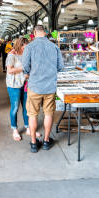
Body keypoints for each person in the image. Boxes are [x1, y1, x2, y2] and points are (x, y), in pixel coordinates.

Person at [22, 25, 64, 153]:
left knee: (32, 115)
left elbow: (25, 67)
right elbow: (60, 67)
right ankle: (46, 141)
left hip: (34, 86)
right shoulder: (54, 47)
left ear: (34, 33)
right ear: (45, 33)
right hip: (50, 87)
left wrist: (31, 72)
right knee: (48, 113)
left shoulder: (29, 47)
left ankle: (34, 143)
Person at [6, 37, 30, 141]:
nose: (25, 49)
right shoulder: (12, 55)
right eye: (24, 47)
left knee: (26, 107)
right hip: (14, 85)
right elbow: (10, 70)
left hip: (24, 84)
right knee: (15, 107)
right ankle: (14, 129)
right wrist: (23, 69)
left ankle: (28, 127)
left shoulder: (25, 54)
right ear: (19, 45)